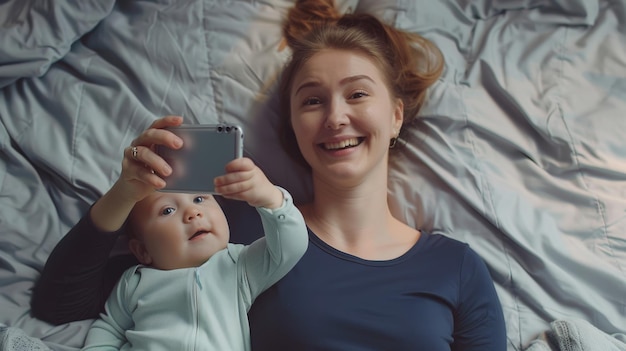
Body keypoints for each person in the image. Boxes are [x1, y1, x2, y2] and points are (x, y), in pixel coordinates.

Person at [32, 0, 507, 349]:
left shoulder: (455, 268)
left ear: (397, 116)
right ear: (294, 128)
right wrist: (125, 192)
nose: (336, 117)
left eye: (358, 94)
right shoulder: (234, 228)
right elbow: (62, 306)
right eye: (313, 100)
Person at [37, 115, 308, 351]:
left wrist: (271, 199)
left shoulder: (238, 265)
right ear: (141, 250)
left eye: (201, 199)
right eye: (167, 211)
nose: (192, 213)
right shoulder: (134, 282)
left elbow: (290, 247)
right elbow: (109, 327)